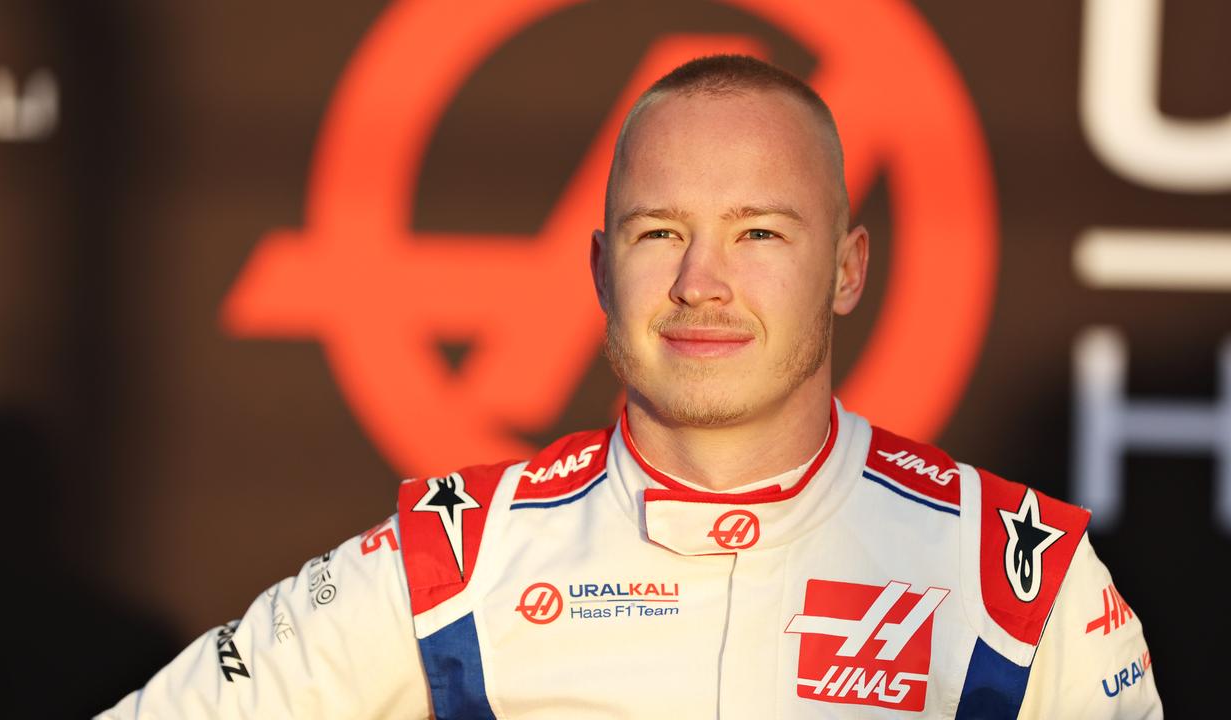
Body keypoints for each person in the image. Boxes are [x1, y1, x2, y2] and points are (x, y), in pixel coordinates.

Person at [101, 55, 1162, 719]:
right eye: (661, 234)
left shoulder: (1016, 580)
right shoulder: (452, 566)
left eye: (757, 233)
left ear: (845, 268)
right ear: (601, 266)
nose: (702, 284)